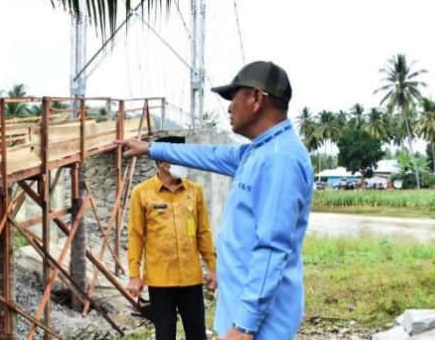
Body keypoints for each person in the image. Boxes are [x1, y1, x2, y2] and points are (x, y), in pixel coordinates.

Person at [116, 61, 314, 340]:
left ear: (256, 98)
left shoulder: (280, 159)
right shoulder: (257, 152)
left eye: (234, 98)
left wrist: (245, 326)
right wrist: (151, 148)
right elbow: (210, 155)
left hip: (258, 327)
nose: (229, 108)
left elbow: (272, 248)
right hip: (241, 316)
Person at [126, 135, 217, 340]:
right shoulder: (142, 193)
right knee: (165, 335)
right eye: (176, 157)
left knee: (197, 335)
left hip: (191, 279)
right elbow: (136, 236)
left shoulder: (195, 192)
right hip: (160, 282)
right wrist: (134, 274)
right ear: (160, 161)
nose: (181, 162)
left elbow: (203, 232)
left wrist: (212, 266)